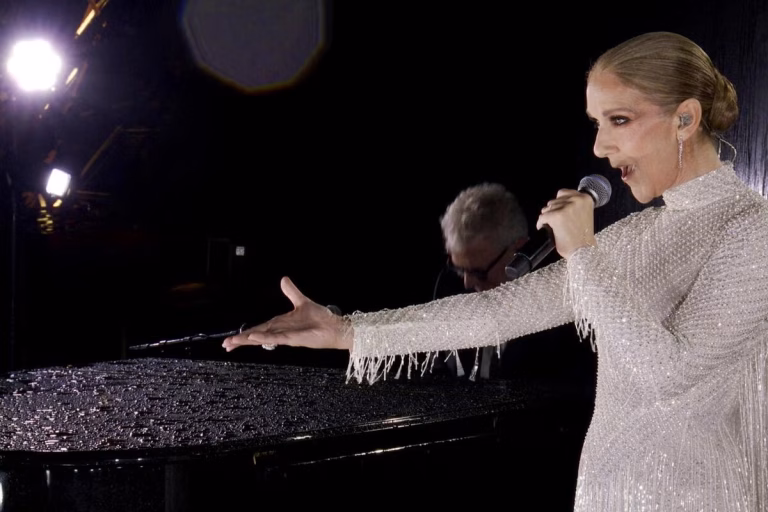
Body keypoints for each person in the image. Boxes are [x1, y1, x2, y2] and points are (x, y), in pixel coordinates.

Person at [223, 32, 768, 511]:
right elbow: (496, 311)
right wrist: (348, 331)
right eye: (597, 124)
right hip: (606, 492)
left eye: (619, 120)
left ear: (686, 118)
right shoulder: (633, 237)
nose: (601, 147)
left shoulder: (753, 230)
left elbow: (670, 375)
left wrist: (581, 251)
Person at [436, 182, 528, 379]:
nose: (467, 283)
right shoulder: (448, 285)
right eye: (460, 269)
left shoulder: (561, 299)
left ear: (518, 250)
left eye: (478, 272)